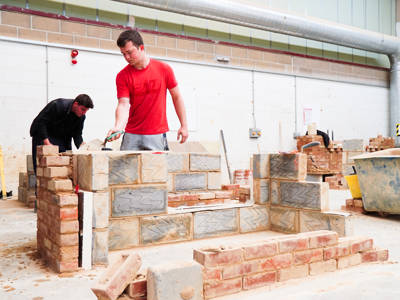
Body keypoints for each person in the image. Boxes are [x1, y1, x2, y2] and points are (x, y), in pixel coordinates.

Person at [106, 29, 188, 150]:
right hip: (132, 134)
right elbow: (123, 104)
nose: (127, 57)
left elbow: (177, 97)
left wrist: (184, 125)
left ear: (141, 47)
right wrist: (118, 126)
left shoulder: (164, 69)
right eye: (123, 54)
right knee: (124, 169)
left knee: (157, 168)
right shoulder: (122, 76)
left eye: (130, 52)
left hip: (156, 134)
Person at [30, 94, 94, 173]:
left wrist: (83, 148)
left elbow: (77, 135)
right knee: (42, 167)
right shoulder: (58, 105)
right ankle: (40, 183)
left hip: (61, 136)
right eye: (82, 109)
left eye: (86, 111)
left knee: (66, 164)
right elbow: (41, 123)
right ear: (76, 104)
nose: (84, 113)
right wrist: (47, 144)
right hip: (42, 133)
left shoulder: (81, 117)